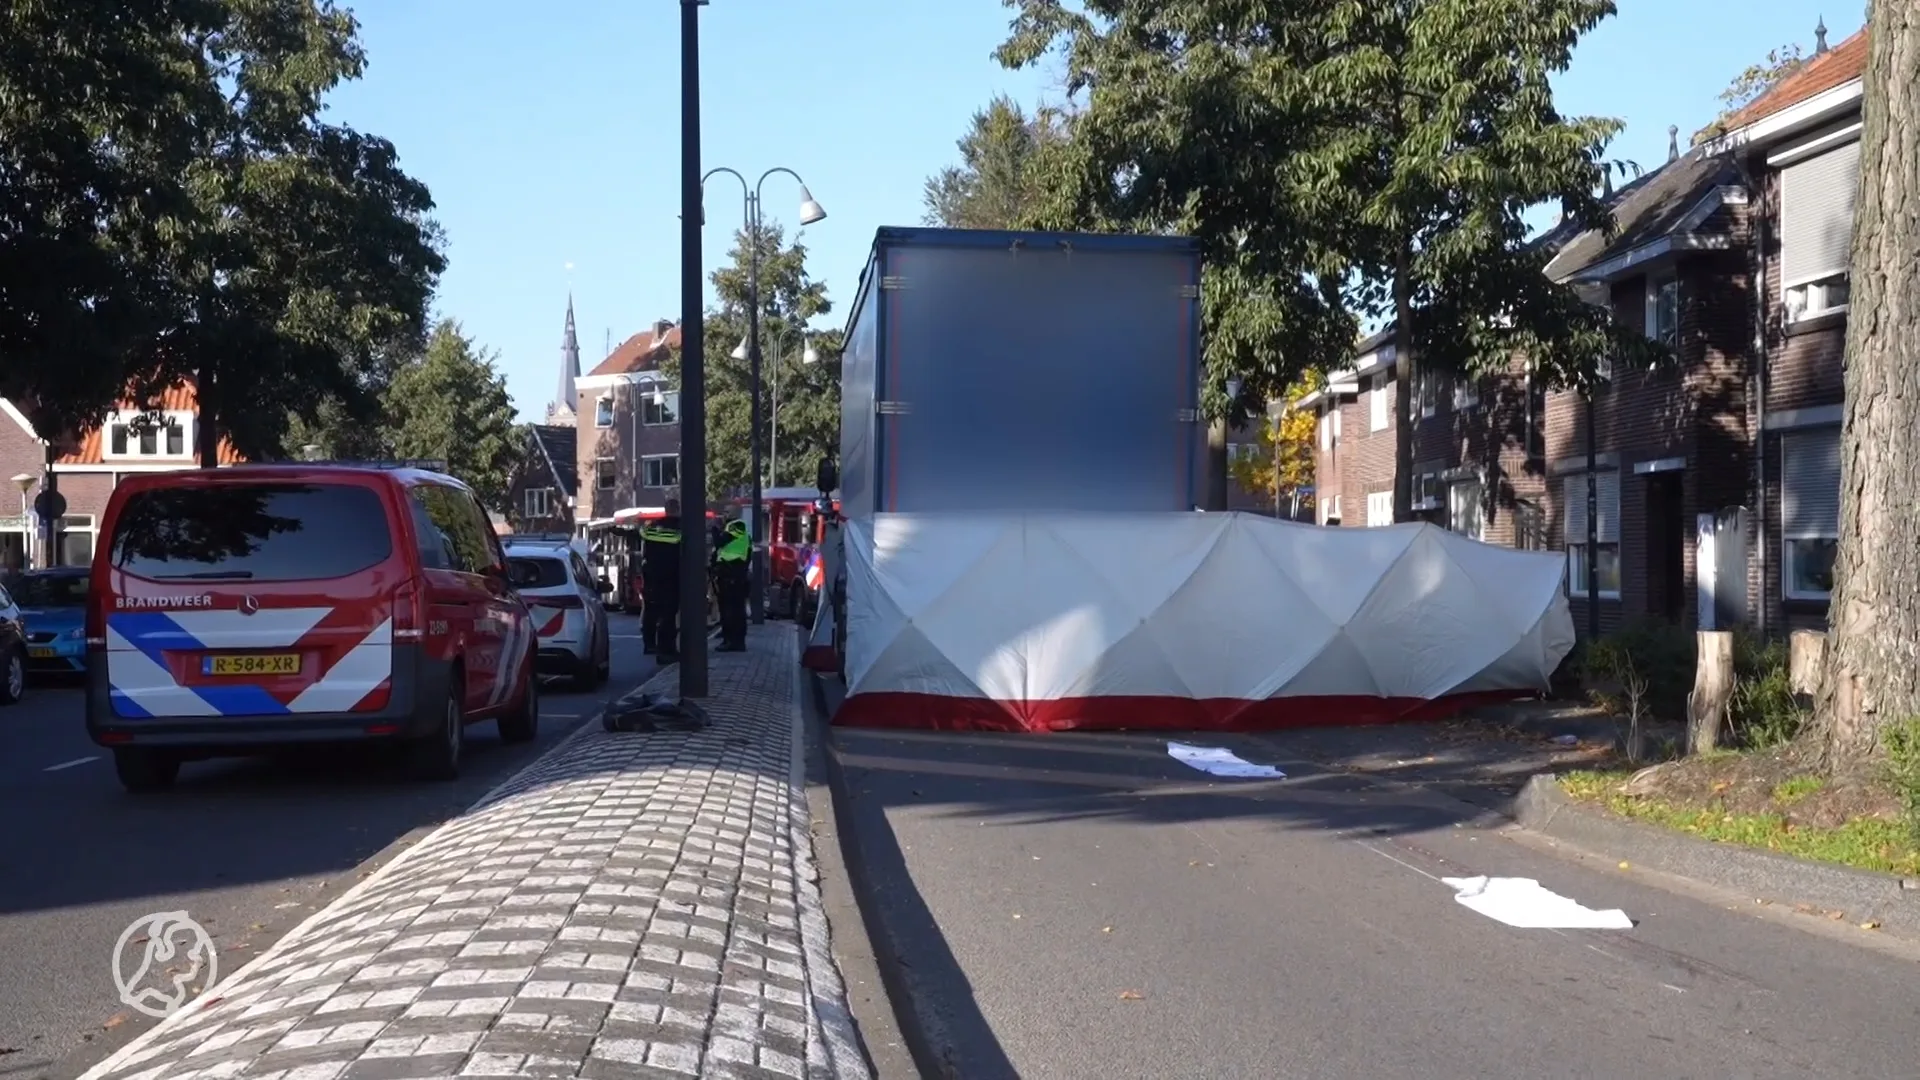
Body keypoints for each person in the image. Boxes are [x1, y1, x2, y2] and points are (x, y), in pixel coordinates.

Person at [639, 497, 684, 661]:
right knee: (669, 614)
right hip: (673, 576)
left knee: (651, 611)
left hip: (652, 576)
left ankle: (649, 644)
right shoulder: (682, 526)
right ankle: (667, 650)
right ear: (678, 509)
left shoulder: (651, 527)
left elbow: (641, 537)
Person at [712, 518, 750, 651]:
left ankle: (734, 641)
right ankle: (729, 638)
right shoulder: (731, 531)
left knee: (732, 610)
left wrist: (715, 529)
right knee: (729, 609)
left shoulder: (737, 526)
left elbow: (719, 542)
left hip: (733, 577)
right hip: (730, 576)